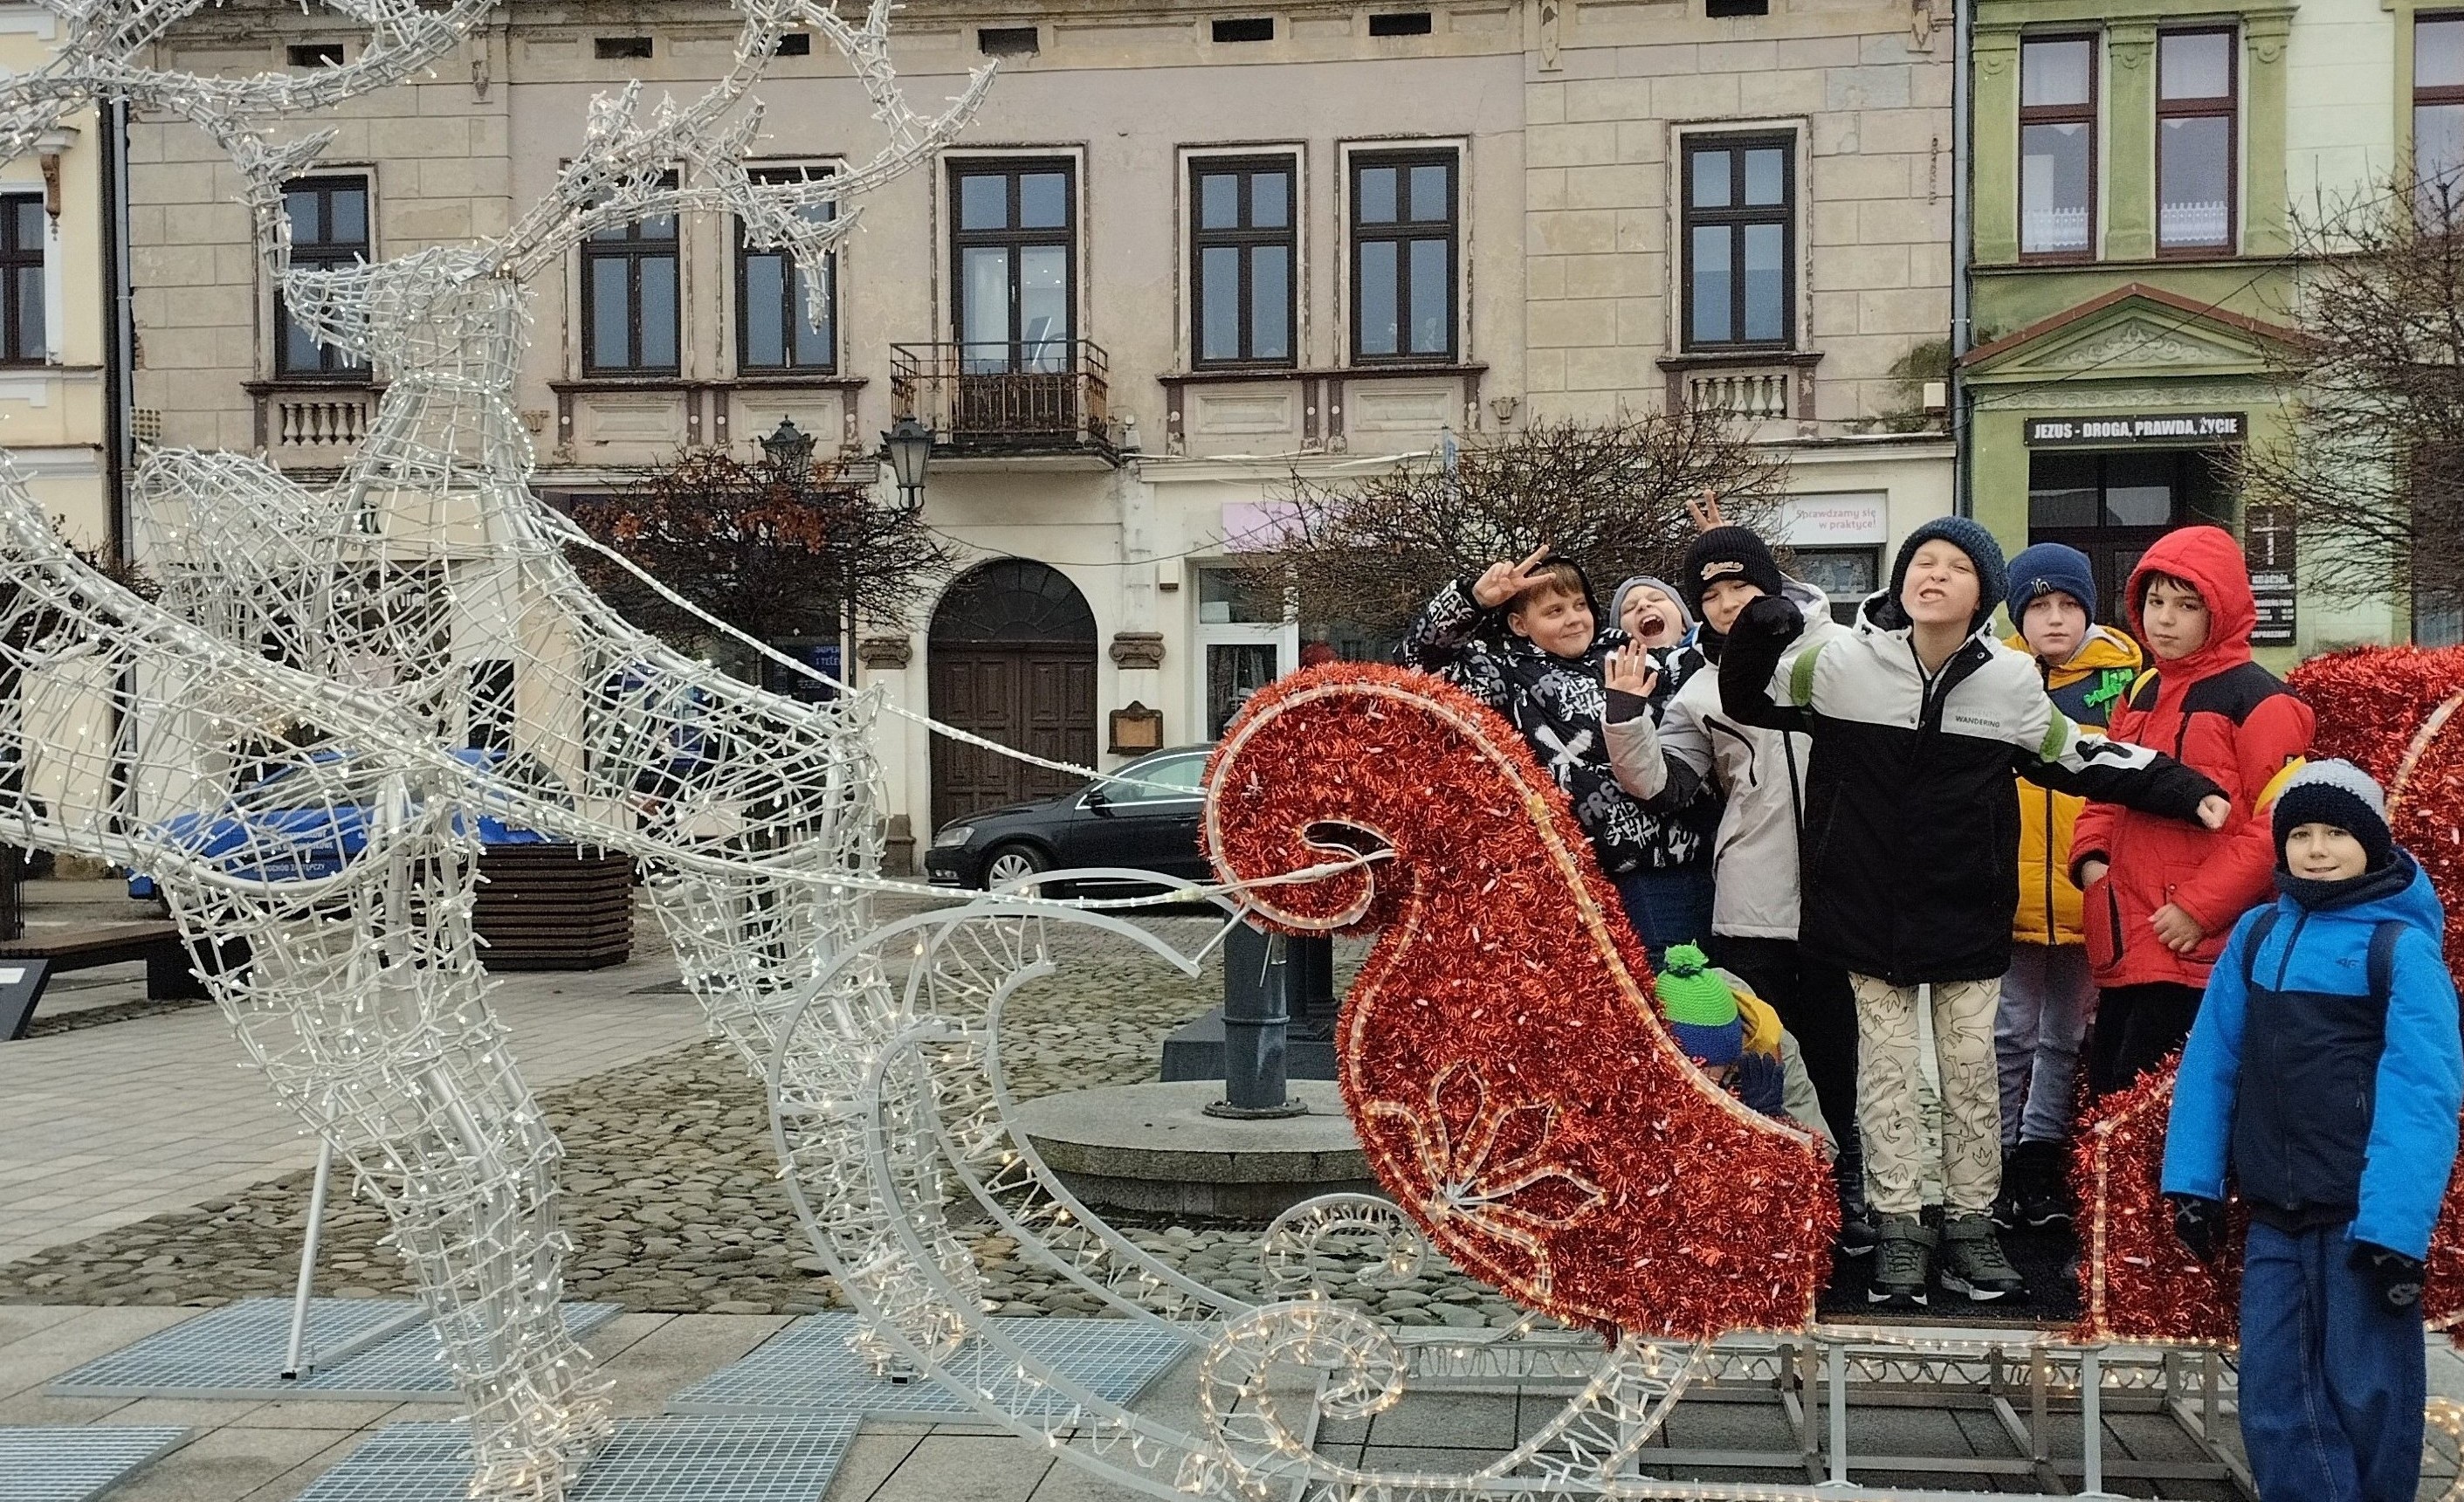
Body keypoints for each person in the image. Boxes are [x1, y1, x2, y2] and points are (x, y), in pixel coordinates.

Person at [1721, 516, 2229, 1311]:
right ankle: (1898, 1226)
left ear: (1984, 592)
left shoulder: (2011, 681)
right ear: (1900, 581)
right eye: (1921, 562)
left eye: (1955, 567)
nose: (1934, 575)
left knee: (1970, 1075)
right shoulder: (1838, 662)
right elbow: (1745, 695)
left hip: (1968, 908)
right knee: (1886, 1076)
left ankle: (1969, 1225)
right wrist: (1759, 630)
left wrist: (2187, 789)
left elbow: (2082, 754)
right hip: (1863, 911)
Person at [2163, 761, 2461, 1502]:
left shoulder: (2398, 948)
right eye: (2300, 835)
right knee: (2274, 1393)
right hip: (2275, 1209)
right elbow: (2213, 1059)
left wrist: (2396, 1230)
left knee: (2369, 1394)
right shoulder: (2259, 933)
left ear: (2372, 843)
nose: (2317, 850)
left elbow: (2422, 1093)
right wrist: (2193, 1180)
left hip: (2360, 1219)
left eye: (2336, 833)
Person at [1604, 526, 1871, 1254]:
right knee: (1763, 1051)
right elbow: (1663, 785)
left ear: (1770, 586)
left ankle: (1845, 1182)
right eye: (1711, 594)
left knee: (1840, 1048)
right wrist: (1625, 714)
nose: (1726, 604)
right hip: (1754, 895)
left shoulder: (1838, 652)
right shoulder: (1699, 688)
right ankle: (1772, 1194)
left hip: (1847, 890)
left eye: (1740, 587)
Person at [2072, 527, 2314, 1096]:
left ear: (2219, 610)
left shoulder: (2263, 700)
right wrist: (2092, 862)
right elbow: (2105, 784)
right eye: (2155, 601)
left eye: (2186, 606)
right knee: (2108, 1096)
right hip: (2128, 934)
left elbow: (2278, 825)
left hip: (2197, 946)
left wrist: (2199, 909)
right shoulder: (2141, 691)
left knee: (2165, 1106)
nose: (2164, 619)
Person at [1399, 549, 1705, 962]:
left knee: (1706, 985)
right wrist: (1474, 600)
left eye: (1580, 605)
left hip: (1683, 856)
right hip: (1589, 875)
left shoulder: (1632, 654)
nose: (1574, 619)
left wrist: (1719, 563)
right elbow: (1416, 664)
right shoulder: (1505, 676)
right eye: (1554, 611)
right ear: (1519, 624)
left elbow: (1719, 655)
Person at [1995, 543, 2143, 1230]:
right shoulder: (1994, 675)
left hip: (2090, 894)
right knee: (2008, 1032)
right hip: (2011, 895)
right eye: (2038, 607)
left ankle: (2040, 1155)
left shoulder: (2125, 680)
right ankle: (1993, 1157)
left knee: (2064, 1034)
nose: (2054, 619)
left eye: (2067, 605)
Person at [1604, 573, 1717, 959]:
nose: (1644, 606)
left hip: (1734, 850)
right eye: (1630, 608)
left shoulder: (1719, 661)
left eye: (1656, 599)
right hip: (1658, 863)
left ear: (1685, 620)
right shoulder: (1609, 677)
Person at [1657, 942, 1835, 1149]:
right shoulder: (1638, 1047)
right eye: (1692, 1070)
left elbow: (1824, 1151)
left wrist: (1770, 1124)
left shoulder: (1775, 1051)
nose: (1704, 1085)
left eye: (1709, 1071)